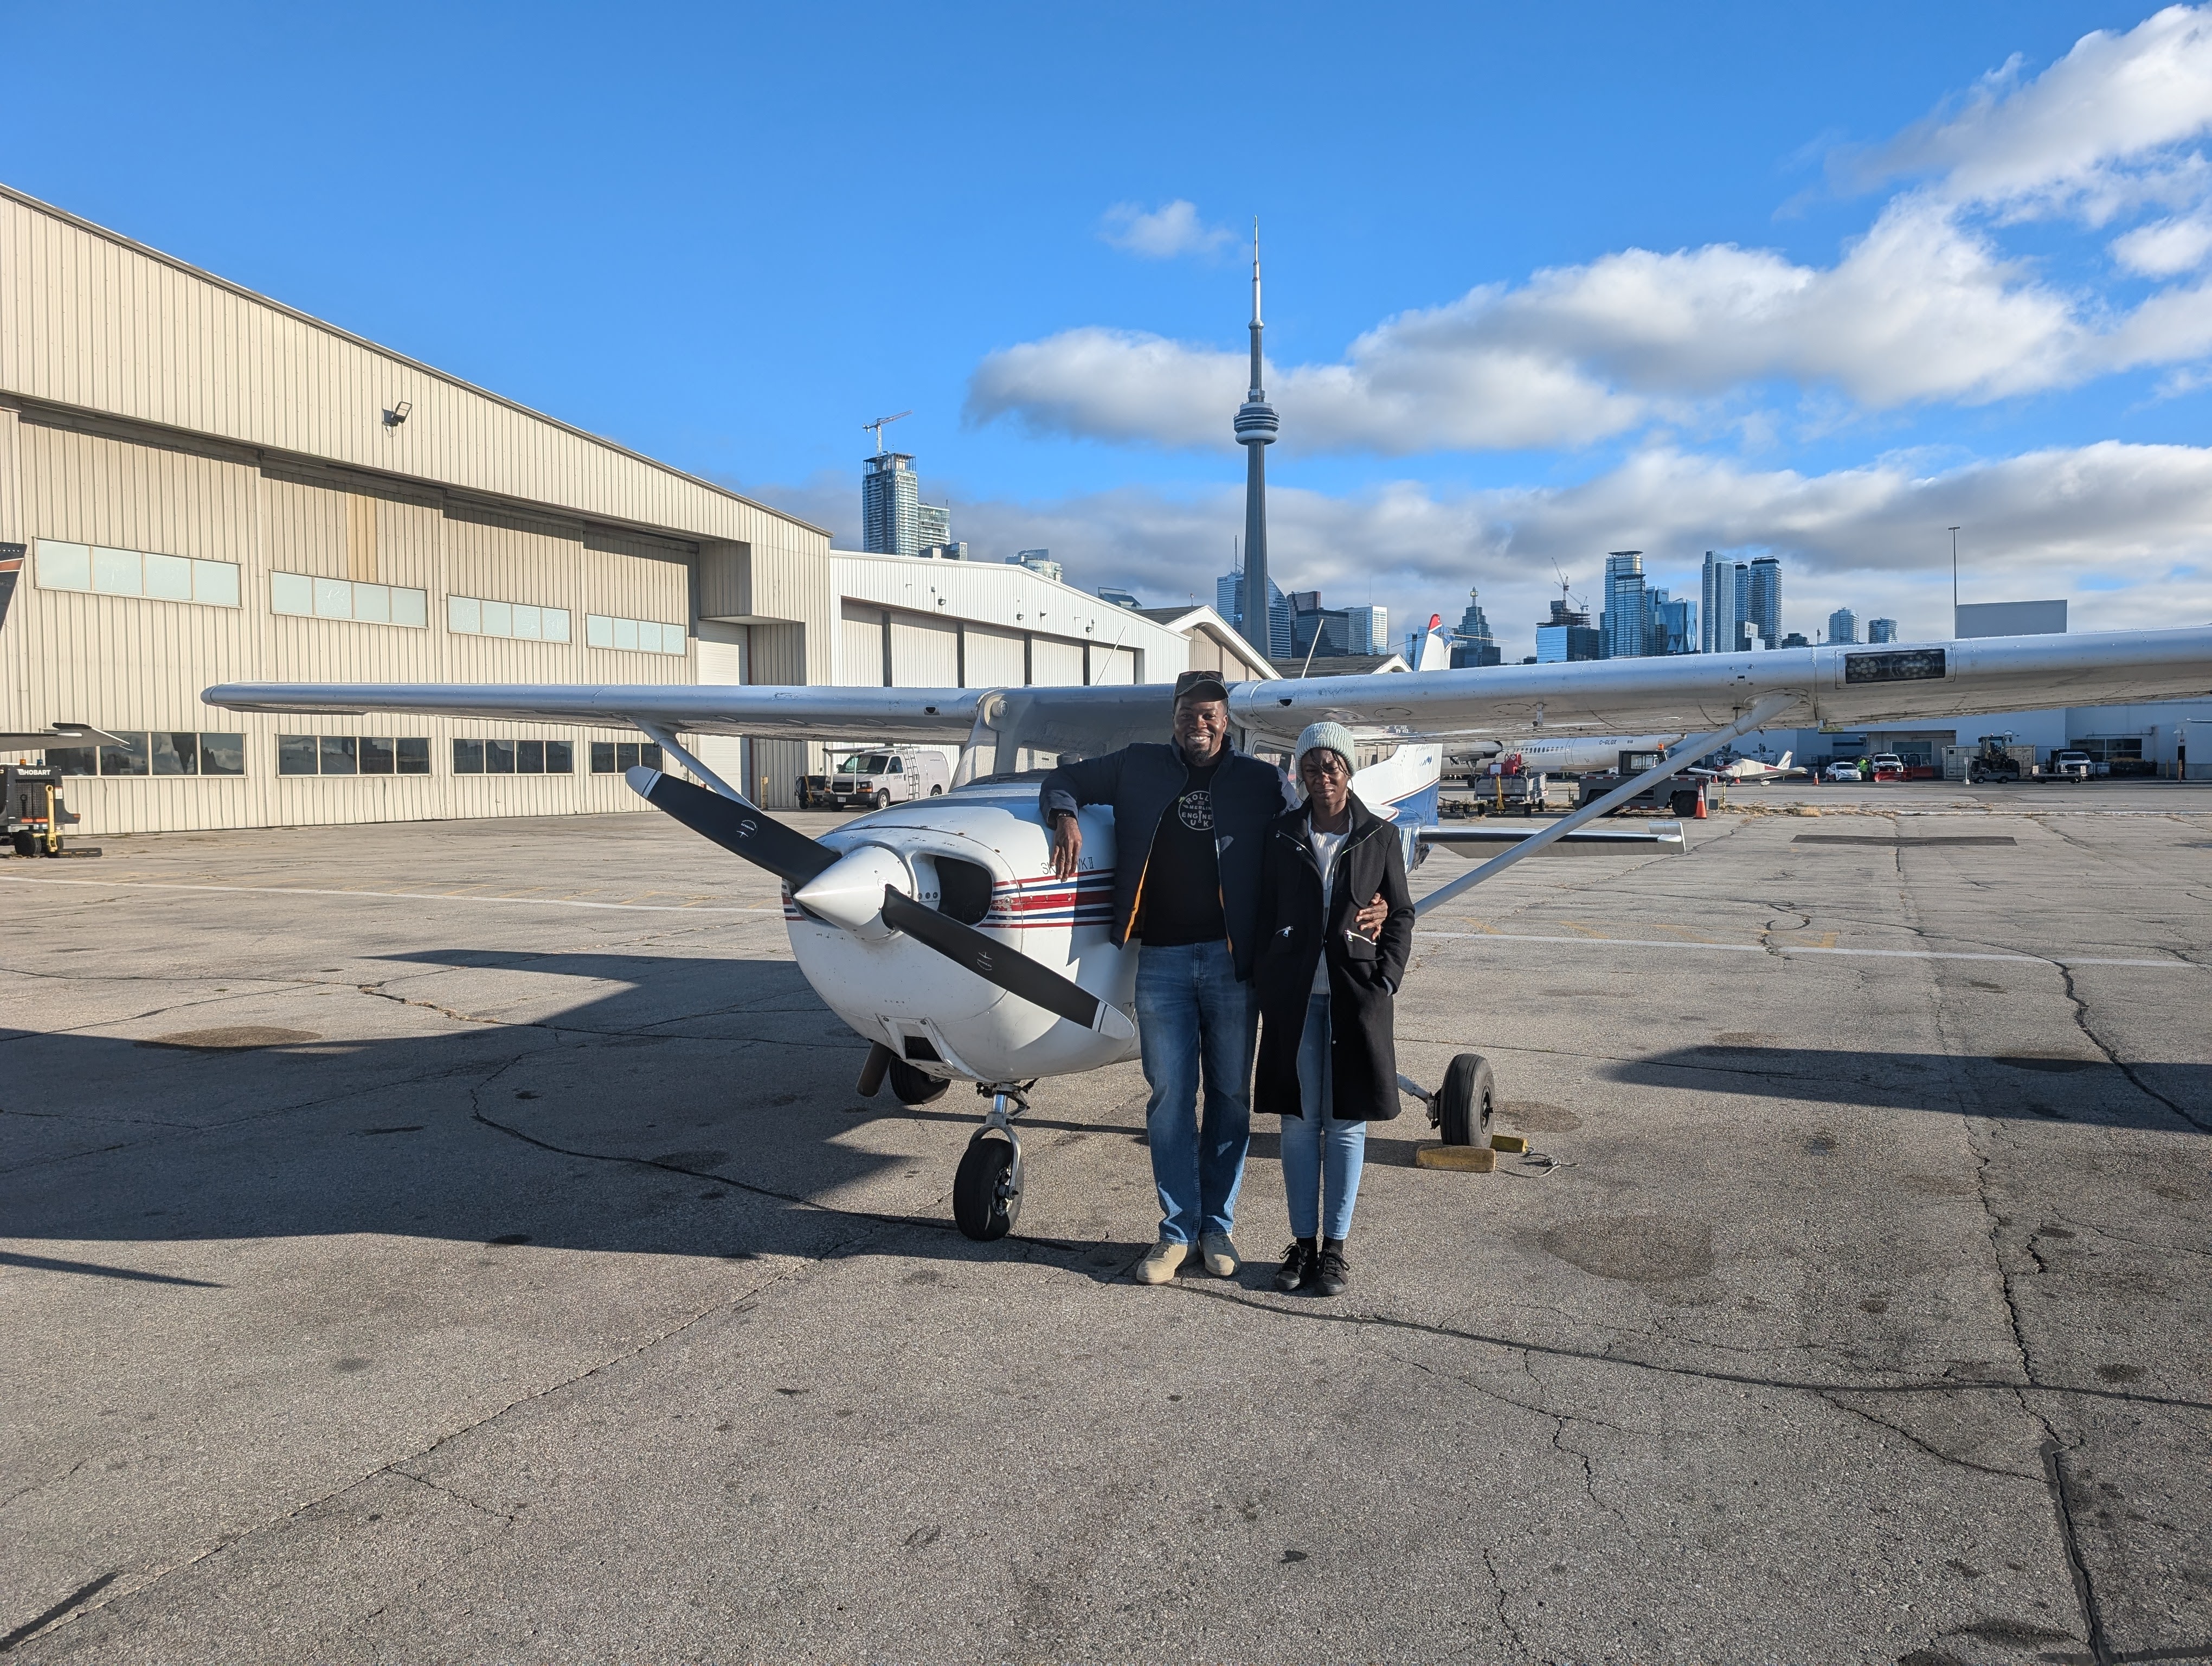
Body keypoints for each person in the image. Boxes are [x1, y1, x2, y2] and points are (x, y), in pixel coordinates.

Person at [1040, 672, 1360, 1284]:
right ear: (1175, 716)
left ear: (1227, 719)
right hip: (1159, 960)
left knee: (1231, 1099)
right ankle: (1177, 1231)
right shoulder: (1135, 765)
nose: (1201, 724)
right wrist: (1066, 817)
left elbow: (1319, 832)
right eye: (1191, 713)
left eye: (1212, 714)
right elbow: (1067, 779)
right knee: (1168, 1100)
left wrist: (1367, 895)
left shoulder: (1261, 781)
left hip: (1232, 962)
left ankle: (1219, 1227)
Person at [1252, 722, 1415, 1297]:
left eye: (1333, 767)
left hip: (1355, 997)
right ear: (1298, 774)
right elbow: (1261, 914)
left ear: (1349, 772)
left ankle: (1336, 1251)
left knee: (1345, 1123)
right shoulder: (1280, 836)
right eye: (1312, 768)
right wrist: (1266, 982)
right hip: (1296, 1003)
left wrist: (1387, 978)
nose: (1323, 778)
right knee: (1298, 1124)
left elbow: (1400, 915)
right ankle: (1301, 1244)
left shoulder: (1378, 837)